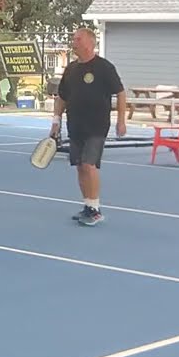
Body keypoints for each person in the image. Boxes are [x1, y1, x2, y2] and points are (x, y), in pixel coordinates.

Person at [50, 27, 126, 227]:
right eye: (74, 39)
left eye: (78, 39)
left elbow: (120, 93)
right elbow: (62, 97)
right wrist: (56, 121)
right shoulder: (71, 69)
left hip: (97, 126)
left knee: (89, 164)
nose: (74, 42)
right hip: (75, 125)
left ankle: (95, 210)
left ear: (90, 43)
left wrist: (121, 121)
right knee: (80, 167)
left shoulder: (104, 68)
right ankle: (88, 205)